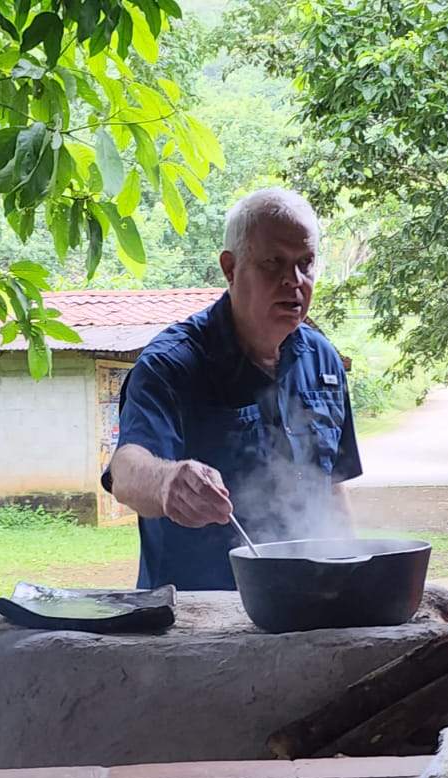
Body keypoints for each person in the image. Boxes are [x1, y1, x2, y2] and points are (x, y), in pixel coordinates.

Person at [104, 188, 361, 590]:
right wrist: (167, 480)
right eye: (273, 263)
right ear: (230, 267)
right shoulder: (171, 364)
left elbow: (332, 489)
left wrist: (354, 576)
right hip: (197, 625)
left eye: (305, 264)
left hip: (307, 609)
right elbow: (126, 471)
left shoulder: (323, 361)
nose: (294, 281)